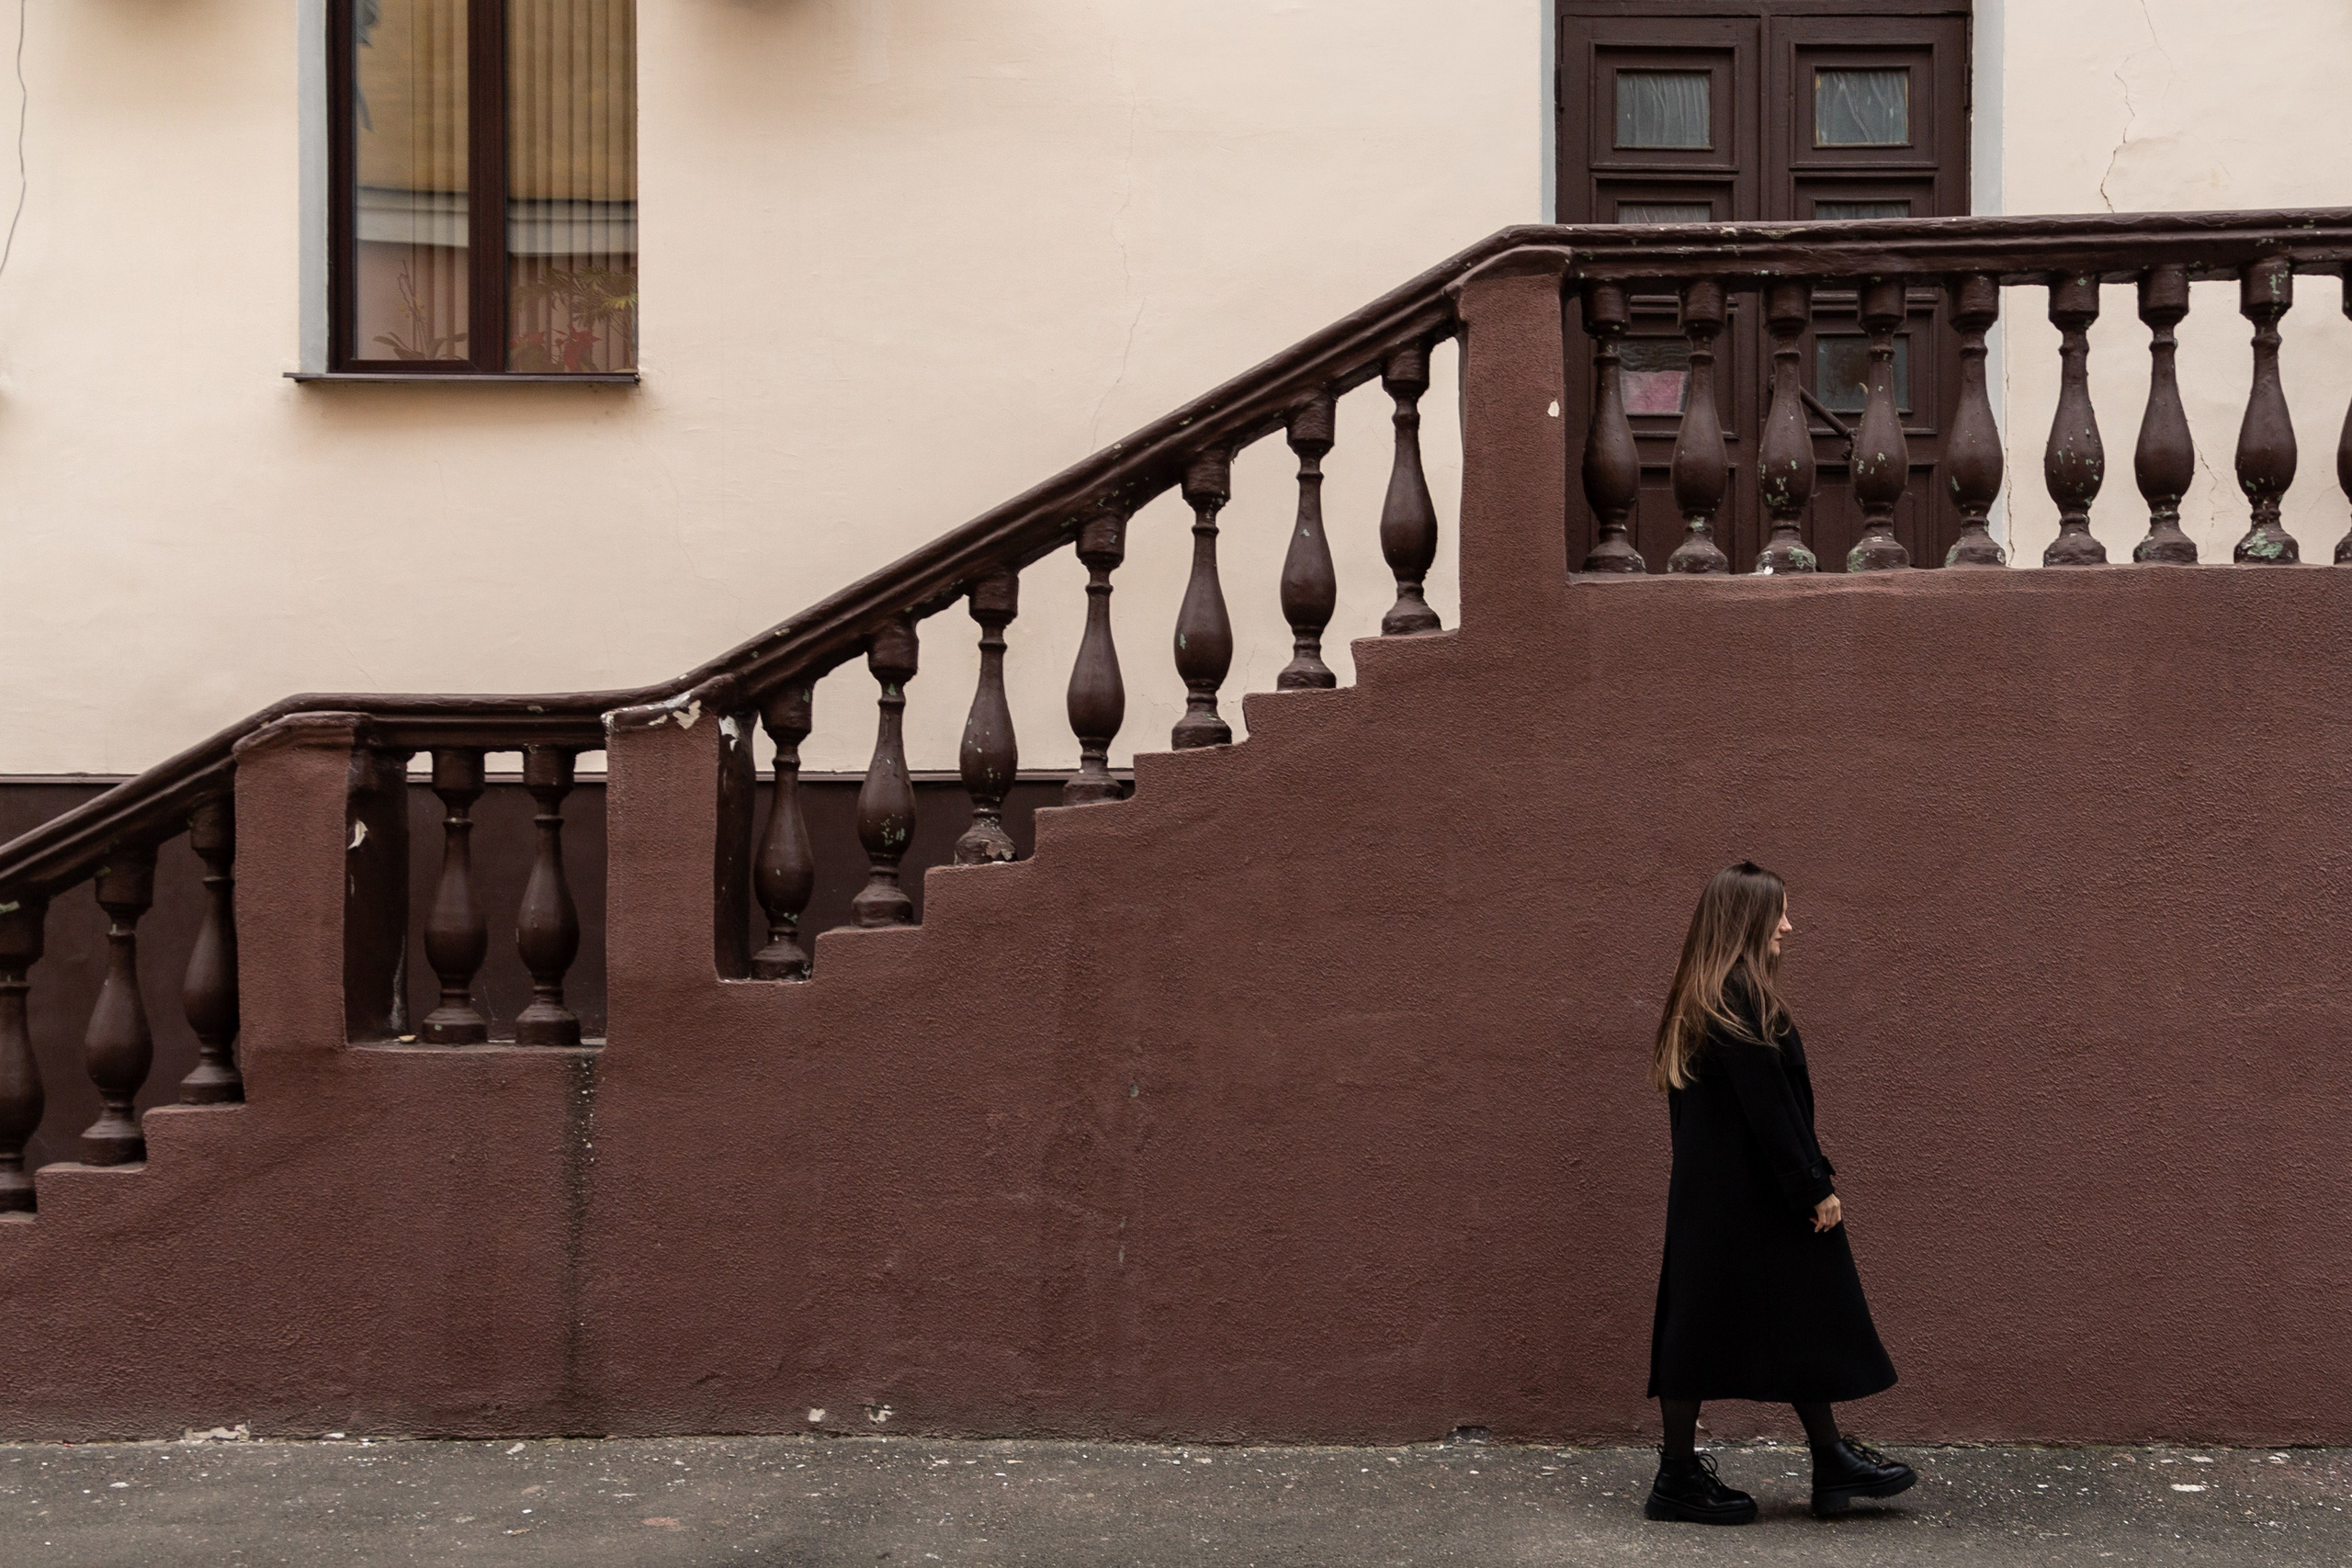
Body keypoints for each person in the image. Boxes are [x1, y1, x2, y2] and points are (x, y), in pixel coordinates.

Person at [1642, 861, 1914, 1525]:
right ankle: (1681, 1478)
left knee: (1752, 1321)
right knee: (1753, 1321)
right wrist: (1813, 1187)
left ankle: (1827, 1461)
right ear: (1748, 920)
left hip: (1718, 1202)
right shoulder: (1741, 996)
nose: (1789, 925)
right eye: (1780, 913)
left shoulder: (1703, 994)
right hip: (1757, 1198)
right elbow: (1772, 1110)